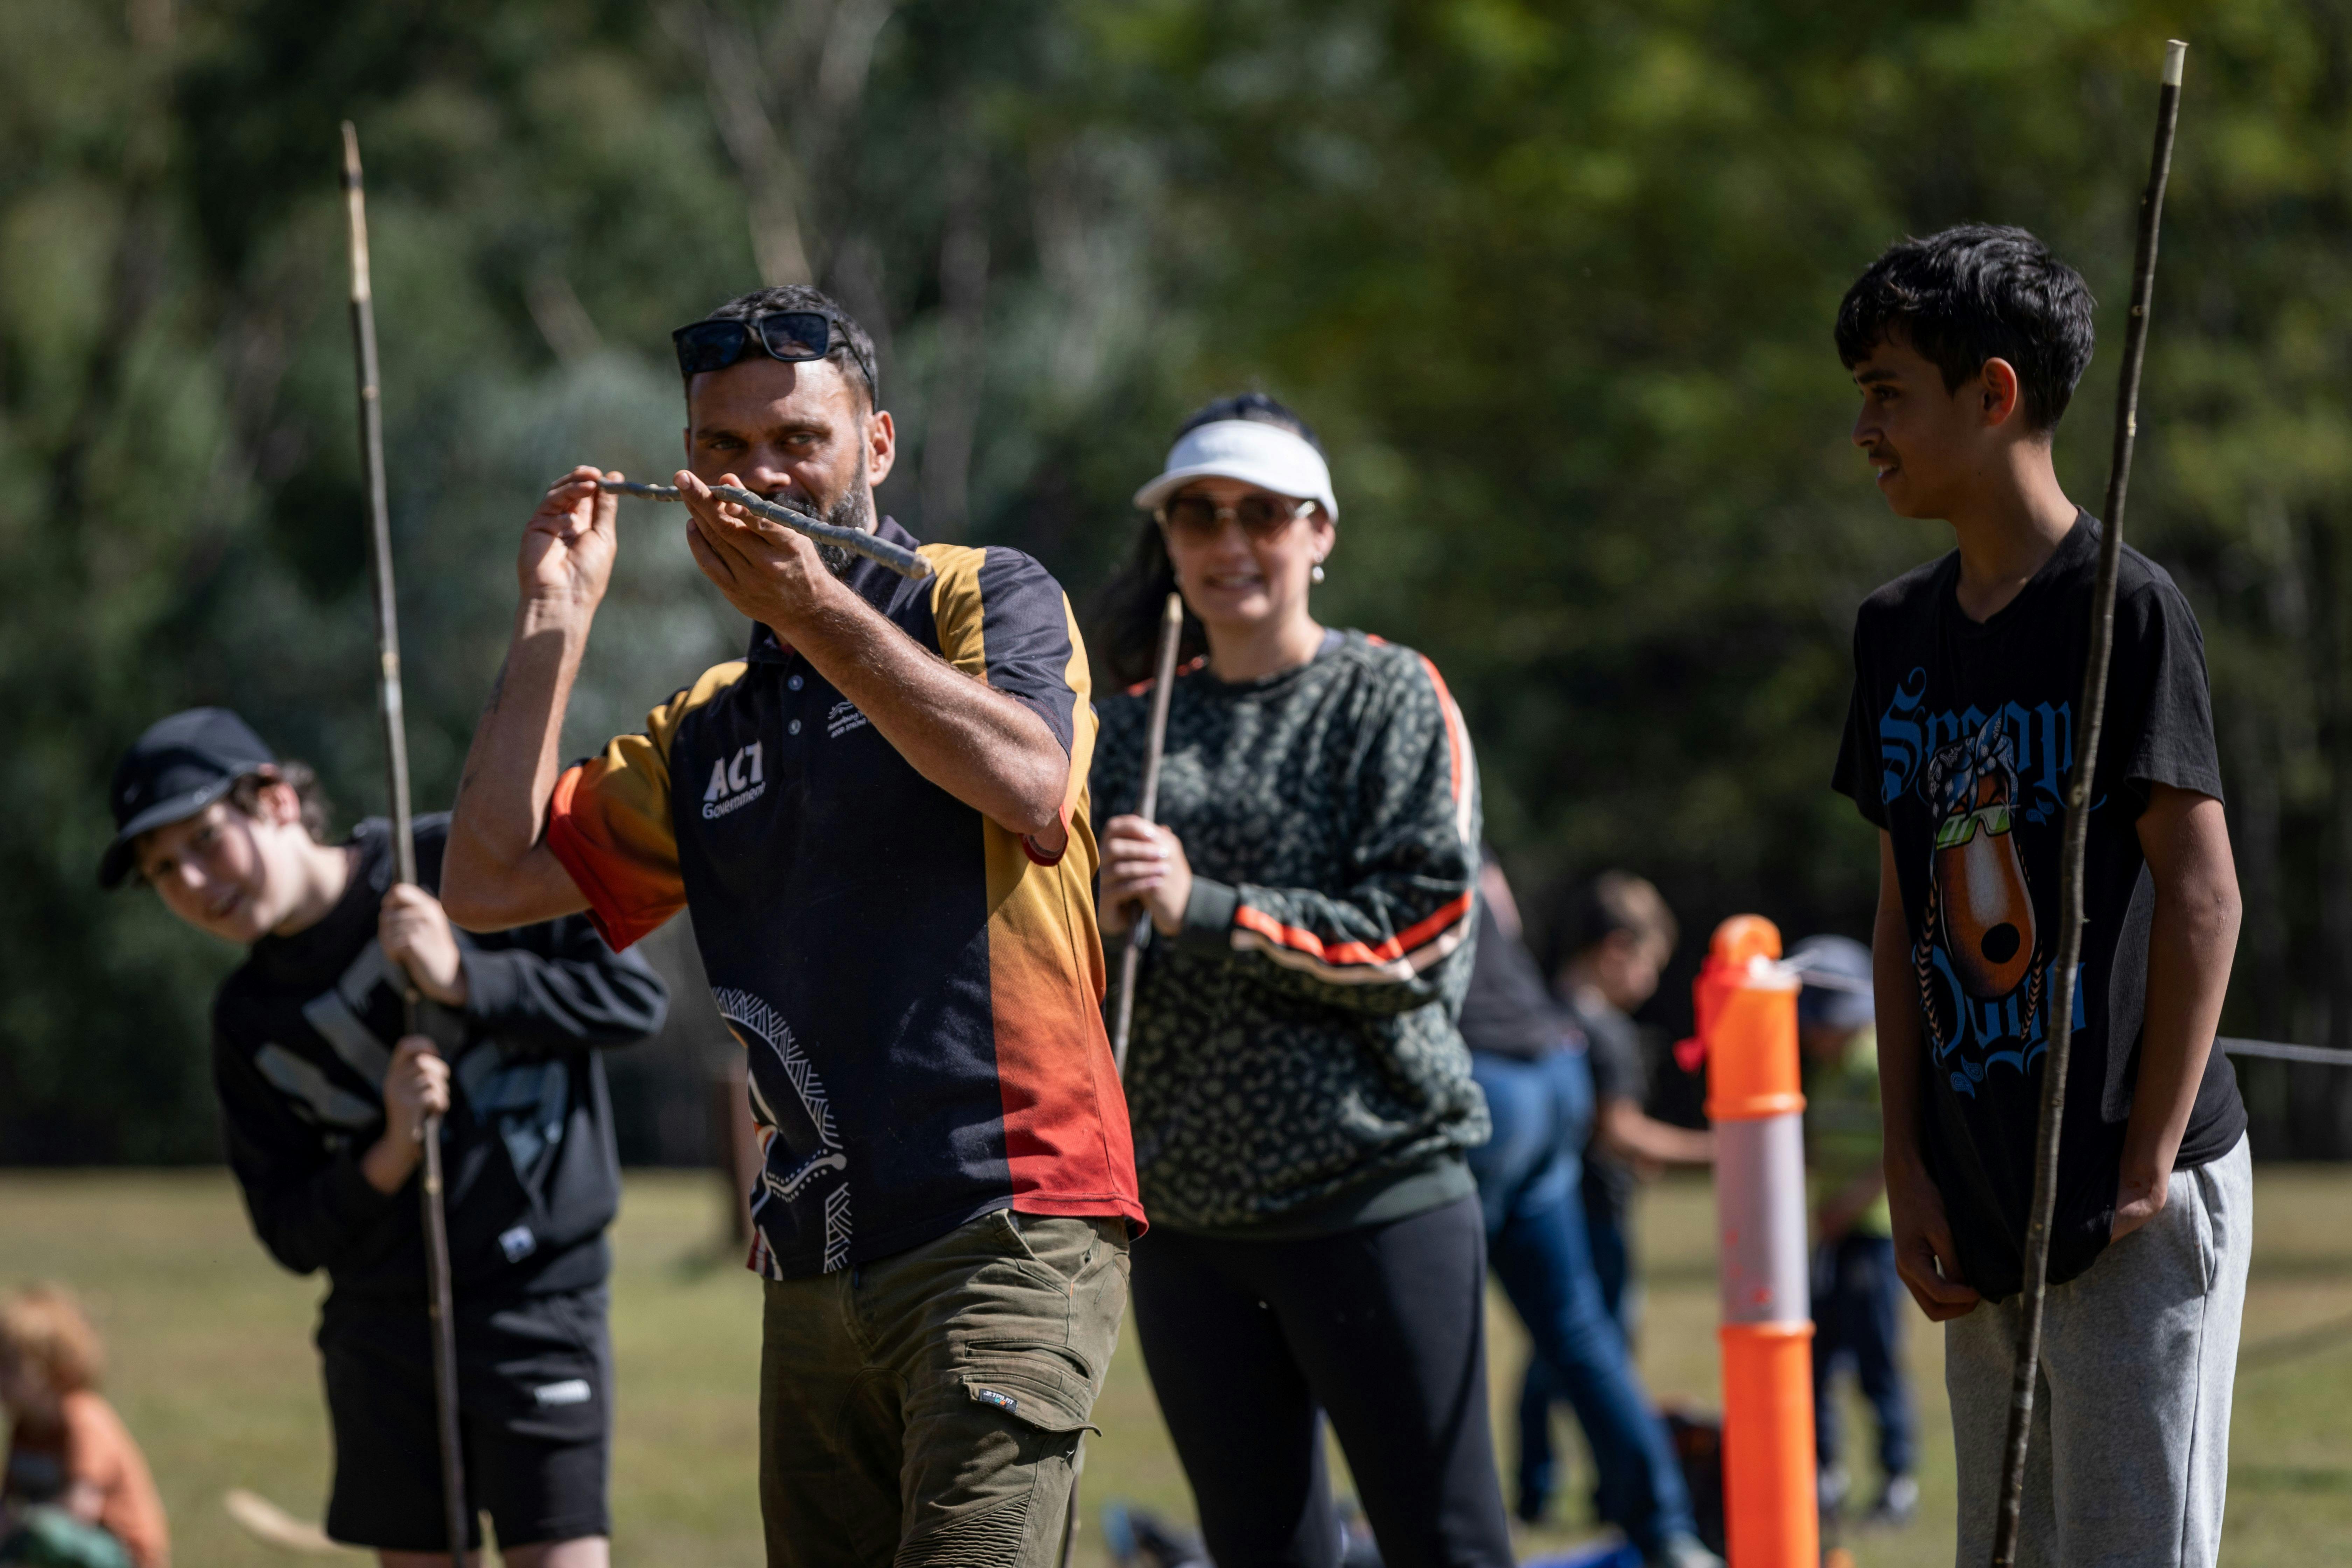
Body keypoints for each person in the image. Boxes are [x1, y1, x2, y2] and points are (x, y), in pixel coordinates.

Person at [440, 284, 1143, 1568]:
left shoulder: (981, 595)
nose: (756, 476)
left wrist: (819, 612)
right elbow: (487, 881)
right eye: (722, 449)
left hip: (1006, 1215)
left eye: (795, 442)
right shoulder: (708, 725)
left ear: (874, 447)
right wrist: (554, 614)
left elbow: (1033, 783)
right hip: (814, 1256)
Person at [1832, 224, 2247, 1566]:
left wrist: (2145, 1164)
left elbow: (2201, 896)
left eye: (1886, 392)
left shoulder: (2123, 609)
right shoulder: (1892, 632)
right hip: (1977, 1189)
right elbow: (1902, 915)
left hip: (2130, 1189)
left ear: (1991, 393)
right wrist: (1905, 1158)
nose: (1863, 430)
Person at [1089, 393, 1513, 1568]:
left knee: (1448, 1545)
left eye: (1262, 516)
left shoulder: (1387, 696)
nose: (1229, 545)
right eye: (1199, 517)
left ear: (1321, 532)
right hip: (1185, 1225)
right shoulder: (1118, 735)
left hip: (1372, 1197)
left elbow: (1425, 937)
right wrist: (1097, 918)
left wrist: (1207, 909)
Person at [99, 707, 667, 1567]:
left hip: (536, 1302)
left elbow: (632, 1003)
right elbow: (290, 1232)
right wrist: (389, 1156)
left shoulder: (452, 862)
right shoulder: (247, 1025)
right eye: (164, 872)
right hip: (381, 1337)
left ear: (278, 801)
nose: (192, 883)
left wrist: (463, 977)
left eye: (204, 841)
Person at [1460, 857, 1720, 1568]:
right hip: (1560, 1141)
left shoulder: (1569, 1008)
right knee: (1577, 1335)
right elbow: (1495, 899)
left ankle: (1502, 1505)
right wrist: (1724, 1147)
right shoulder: (1589, 1028)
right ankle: (1663, 1526)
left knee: (1443, 1329)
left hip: (1491, 1088)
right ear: (1617, 949)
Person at [1516, 872, 1711, 1525]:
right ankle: (1616, 1492)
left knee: (1550, 1356)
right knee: (1601, 1358)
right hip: (1596, 1222)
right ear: (1618, 948)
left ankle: (1535, 1491)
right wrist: (1723, 1149)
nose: (1652, 980)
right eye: (1652, 961)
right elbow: (1620, 1129)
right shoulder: (1604, 1031)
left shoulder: (1540, 1011)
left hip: (1544, 1215)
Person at [1784, 934, 1914, 1528]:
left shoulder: (1874, 1064)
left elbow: (1896, 1149)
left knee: (1877, 1363)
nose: (1807, 1033)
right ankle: (1825, 1474)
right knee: (1816, 1361)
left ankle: (1897, 1481)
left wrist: (1846, 1205)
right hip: (1831, 1239)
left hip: (1873, 1239)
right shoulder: (1826, 1072)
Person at [0, 1287, 167, 1568]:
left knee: (44, 1533)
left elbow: (80, 1509)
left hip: (119, 1554)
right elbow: (8, 1502)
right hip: (61, 1546)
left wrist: (18, 1526)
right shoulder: (25, 1427)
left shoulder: (84, 1418)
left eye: (9, 1366)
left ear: (51, 1368)